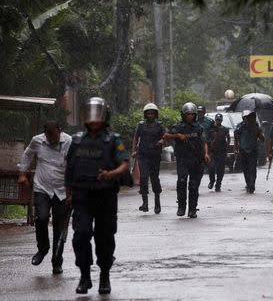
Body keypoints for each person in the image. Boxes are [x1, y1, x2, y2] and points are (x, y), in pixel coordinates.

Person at [65, 97, 130, 295]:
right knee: (81, 236)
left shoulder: (113, 140)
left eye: (97, 115)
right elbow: (69, 170)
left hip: (105, 196)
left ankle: (104, 275)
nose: (94, 119)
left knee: (104, 237)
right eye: (91, 114)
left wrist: (112, 174)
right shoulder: (77, 141)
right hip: (82, 196)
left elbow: (124, 163)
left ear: (104, 117)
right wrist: (68, 194)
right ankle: (84, 276)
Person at [17, 121, 72, 274]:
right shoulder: (37, 140)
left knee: (59, 226)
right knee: (41, 218)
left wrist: (72, 193)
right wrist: (22, 173)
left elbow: (74, 165)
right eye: (48, 137)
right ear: (45, 134)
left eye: (53, 136)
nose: (51, 140)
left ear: (59, 131)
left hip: (62, 190)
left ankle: (57, 261)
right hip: (42, 187)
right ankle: (42, 249)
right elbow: (28, 153)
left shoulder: (69, 141)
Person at [164, 102, 210, 218]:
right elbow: (166, 136)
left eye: (192, 114)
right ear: (183, 115)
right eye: (187, 114)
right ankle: (181, 207)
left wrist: (206, 154)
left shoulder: (199, 128)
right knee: (182, 181)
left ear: (195, 115)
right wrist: (178, 136)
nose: (189, 116)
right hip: (182, 159)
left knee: (194, 185)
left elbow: (204, 142)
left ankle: (192, 209)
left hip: (196, 159)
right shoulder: (178, 127)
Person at [131, 103, 165, 213]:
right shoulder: (141, 125)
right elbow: (135, 139)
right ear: (145, 115)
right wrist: (134, 151)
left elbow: (166, 136)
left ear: (156, 114)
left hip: (154, 156)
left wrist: (162, 141)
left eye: (152, 113)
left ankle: (157, 202)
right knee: (143, 178)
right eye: (148, 113)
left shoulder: (160, 125)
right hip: (142, 155)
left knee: (154, 178)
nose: (150, 115)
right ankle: (145, 203)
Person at [234, 110, 264, 194]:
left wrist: (258, 132)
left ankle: (252, 184)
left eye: (251, 118)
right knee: (245, 169)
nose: (249, 120)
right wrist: (236, 148)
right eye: (247, 118)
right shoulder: (240, 126)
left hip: (253, 150)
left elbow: (262, 139)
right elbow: (236, 136)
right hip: (243, 151)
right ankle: (248, 183)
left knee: (252, 169)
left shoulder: (256, 126)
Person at [207, 113, 230, 192]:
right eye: (217, 120)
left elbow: (228, 138)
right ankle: (212, 181)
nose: (218, 121)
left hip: (222, 151)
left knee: (221, 169)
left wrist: (227, 145)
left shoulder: (225, 129)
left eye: (219, 120)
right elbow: (208, 140)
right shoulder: (211, 129)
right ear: (215, 120)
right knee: (211, 167)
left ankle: (218, 184)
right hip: (213, 151)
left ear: (222, 120)